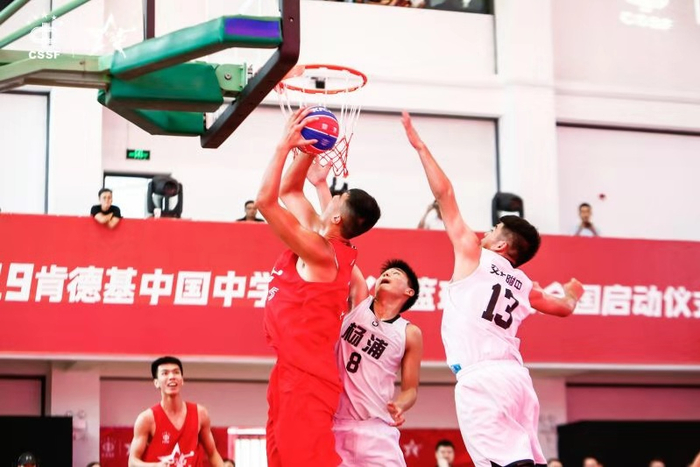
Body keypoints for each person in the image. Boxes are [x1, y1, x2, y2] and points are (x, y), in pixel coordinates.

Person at [402, 111, 584, 467]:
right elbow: (564, 308)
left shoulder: (474, 254)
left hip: (482, 378)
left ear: (501, 245)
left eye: (494, 229)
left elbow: (444, 194)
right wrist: (573, 293)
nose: (484, 232)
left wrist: (420, 146)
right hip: (517, 380)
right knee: (525, 460)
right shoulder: (525, 286)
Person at [256, 107, 381, 467]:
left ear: (337, 216)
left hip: (306, 379)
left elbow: (265, 201)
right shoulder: (320, 236)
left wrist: (284, 146)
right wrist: (309, 150)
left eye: (337, 197)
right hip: (291, 372)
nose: (331, 196)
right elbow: (289, 190)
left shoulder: (321, 252)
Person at [332, 258, 423, 467]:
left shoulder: (409, 333)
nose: (387, 274)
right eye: (385, 273)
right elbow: (344, 257)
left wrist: (400, 405)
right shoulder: (359, 301)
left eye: (396, 273)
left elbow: (410, 390)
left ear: (409, 291)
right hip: (336, 426)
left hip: (377, 429)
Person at [128, 356, 223, 467]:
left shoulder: (200, 414)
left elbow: (213, 454)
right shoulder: (147, 419)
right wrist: (155, 466)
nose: (172, 377)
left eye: (176, 372)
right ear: (156, 383)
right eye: (165, 373)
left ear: (182, 380)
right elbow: (132, 462)